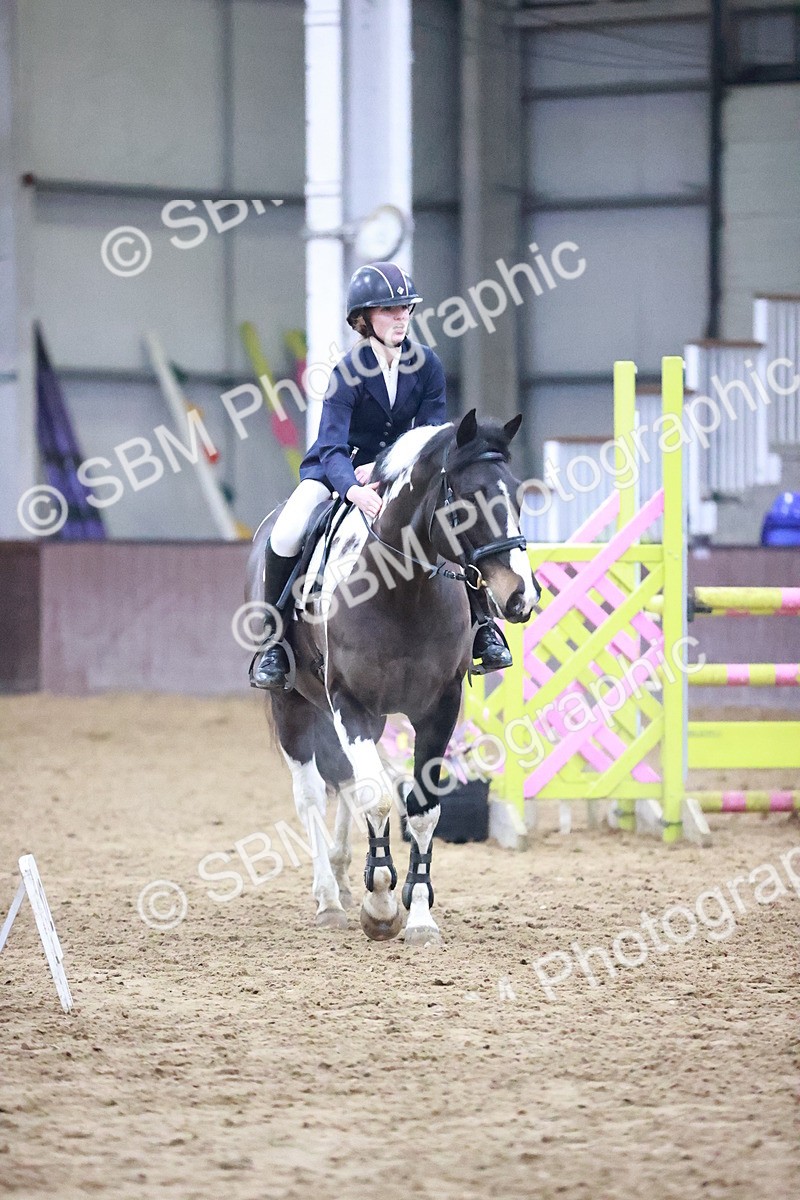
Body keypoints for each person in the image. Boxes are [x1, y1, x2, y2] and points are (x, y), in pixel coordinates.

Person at [250, 260, 513, 689]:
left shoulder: (426, 366)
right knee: (288, 529)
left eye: (406, 308)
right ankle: (274, 643)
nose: (401, 317)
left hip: (400, 472)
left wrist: (389, 465)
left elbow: (430, 435)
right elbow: (331, 445)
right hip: (337, 472)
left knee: (453, 522)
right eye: (390, 310)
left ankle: (482, 626)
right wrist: (353, 489)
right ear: (363, 319)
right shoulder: (345, 373)